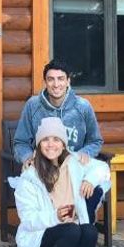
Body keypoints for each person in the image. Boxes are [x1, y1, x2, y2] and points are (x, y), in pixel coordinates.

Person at [10, 117, 105, 247]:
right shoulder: (29, 177)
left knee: (89, 231)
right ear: (38, 145)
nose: (51, 144)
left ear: (63, 144)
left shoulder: (74, 164)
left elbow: (103, 169)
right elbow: (28, 220)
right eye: (45, 140)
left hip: (68, 242)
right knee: (71, 230)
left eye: (56, 139)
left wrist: (89, 179)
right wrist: (55, 216)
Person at [14, 59, 110, 222]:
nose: (56, 84)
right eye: (51, 79)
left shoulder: (83, 107)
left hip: (74, 169)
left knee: (93, 184)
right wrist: (27, 157)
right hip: (44, 169)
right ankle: (57, 227)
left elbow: (95, 140)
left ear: (68, 81)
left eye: (61, 79)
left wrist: (84, 153)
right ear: (45, 82)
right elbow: (21, 141)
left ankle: (84, 222)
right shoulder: (33, 106)